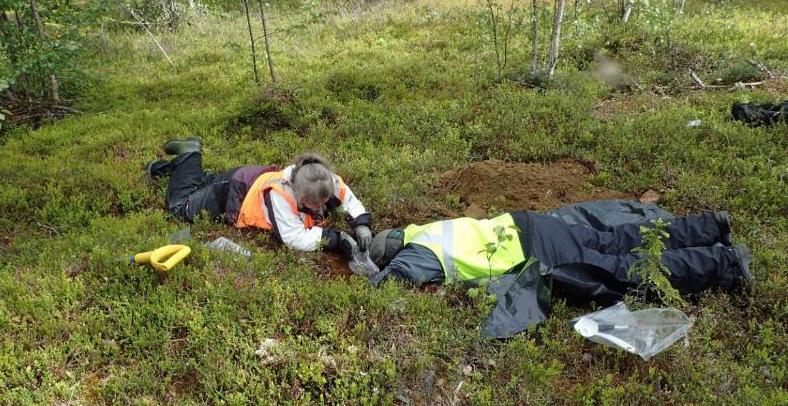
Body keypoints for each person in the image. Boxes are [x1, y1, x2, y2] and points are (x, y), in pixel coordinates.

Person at [368, 205, 754, 298]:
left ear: (393, 252)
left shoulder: (415, 253)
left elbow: (390, 284)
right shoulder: (423, 228)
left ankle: (727, 263)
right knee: (620, 238)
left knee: (621, 270)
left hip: (536, 248)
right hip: (533, 223)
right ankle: (710, 225)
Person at [145, 137, 371, 256]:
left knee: (204, 186)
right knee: (181, 209)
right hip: (234, 192)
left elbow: (350, 201)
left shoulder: (325, 180)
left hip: (248, 178)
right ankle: (190, 153)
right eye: (313, 203)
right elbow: (294, 237)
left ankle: (167, 169)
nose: (321, 206)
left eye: (324, 201)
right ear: (297, 190)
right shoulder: (281, 194)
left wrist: (361, 224)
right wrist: (337, 238)